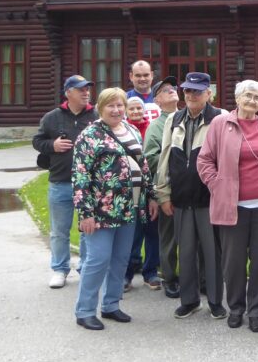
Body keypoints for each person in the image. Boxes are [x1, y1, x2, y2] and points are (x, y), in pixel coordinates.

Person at [198, 80, 258, 333]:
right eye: (248, 95)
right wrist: (217, 185)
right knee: (233, 262)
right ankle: (236, 307)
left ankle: (256, 309)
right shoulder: (221, 124)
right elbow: (204, 160)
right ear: (237, 98)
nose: (253, 100)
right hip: (232, 205)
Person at [71, 87, 158, 330]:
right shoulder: (90, 135)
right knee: (97, 260)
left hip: (129, 208)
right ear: (100, 107)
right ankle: (85, 310)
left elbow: (143, 166)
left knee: (120, 259)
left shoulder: (130, 129)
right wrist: (85, 213)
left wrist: (150, 195)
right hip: (101, 212)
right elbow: (80, 177)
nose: (116, 110)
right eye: (111, 105)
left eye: (120, 105)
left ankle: (111, 305)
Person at [156, 72, 227, 320]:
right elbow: (165, 157)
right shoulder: (173, 119)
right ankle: (189, 300)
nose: (191, 95)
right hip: (181, 197)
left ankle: (216, 301)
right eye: (187, 91)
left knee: (213, 252)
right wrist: (163, 194)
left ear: (209, 93)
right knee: (184, 251)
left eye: (197, 91)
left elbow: (226, 161)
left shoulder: (220, 118)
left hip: (209, 198)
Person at [32, 75, 96, 289]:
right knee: (59, 230)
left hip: (89, 185)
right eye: (81, 89)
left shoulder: (96, 115)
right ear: (68, 92)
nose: (86, 92)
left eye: (87, 89)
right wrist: (53, 145)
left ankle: (86, 267)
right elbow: (37, 141)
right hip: (60, 182)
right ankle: (60, 269)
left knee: (88, 228)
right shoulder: (52, 117)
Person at [144, 76, 181, 299]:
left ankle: (195, 276)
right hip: (169, 187)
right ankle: (170, 278)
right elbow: (150, 157)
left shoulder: (188, 117)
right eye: (165, 90)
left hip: (191, 189)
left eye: (173, 88)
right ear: (157, 100)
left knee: (192, 236)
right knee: (168, 237)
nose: (172, 91)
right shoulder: (156, 127)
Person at [123, 95, 160, 291]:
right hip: (130, 190)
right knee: (133, 233)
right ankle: (127, 273)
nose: (136, 112)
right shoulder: (122, 130)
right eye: (132, 109)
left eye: (139, 109)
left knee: (153, 232)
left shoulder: (151, 128)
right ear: (126, 112)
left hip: (150, 186)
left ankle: (151, 272)